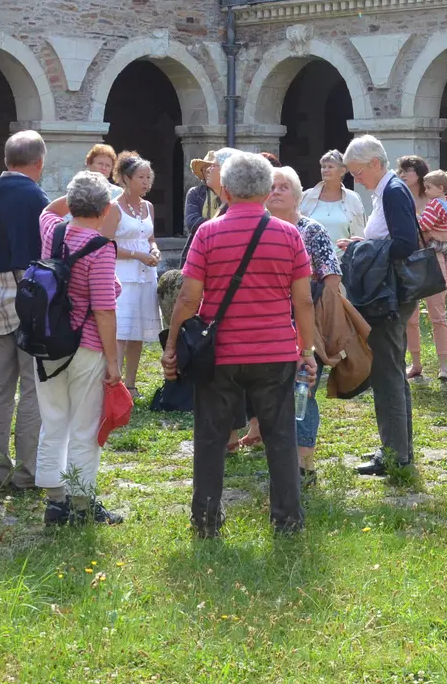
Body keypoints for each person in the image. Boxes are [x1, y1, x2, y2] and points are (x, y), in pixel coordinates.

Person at [162, 153, 318, 537]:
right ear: (267, 192)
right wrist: (307, 350)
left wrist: (170, 346)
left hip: (220, 354)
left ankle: (206, 521)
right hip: (275, 352)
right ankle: (287, 521)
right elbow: (303, 300)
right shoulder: (289, 234)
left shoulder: (208, 233)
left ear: (226, 191)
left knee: (211, 439)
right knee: (280, 437)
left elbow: (187, 298)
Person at [33, 172, 125, 527]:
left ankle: (55, 503)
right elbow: (104, 309)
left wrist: (74, 193)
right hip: (84, 346)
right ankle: (83, 505)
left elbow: (48, 209)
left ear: (72, 205)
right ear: (104, 210)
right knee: (84, 427)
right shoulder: (100, 248)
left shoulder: (51, 231)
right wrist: (113, 363)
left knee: (53, 420)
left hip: (45, 342)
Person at [0, 130, 50, 493]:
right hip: (26, 295)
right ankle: (27, 473)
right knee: (32, 388)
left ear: (6, 160)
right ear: (39, 162)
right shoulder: (34, 196)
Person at [341, 134, 420, 475]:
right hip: (387, 292)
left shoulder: (393, 191)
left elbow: (405, 243)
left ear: (375, 163)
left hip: (388, 295)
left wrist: (362, 248)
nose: (355, 179)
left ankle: (395, 455)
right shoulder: (385, 191)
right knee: (391, 371)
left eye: (357, 172)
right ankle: (400, 450)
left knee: (386, 373)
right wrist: (366, 241)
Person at [268, 165, 340, 485]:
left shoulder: (311, 230)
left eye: (284, 187)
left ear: (298, 195)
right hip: (268, 325)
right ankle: (282, 461)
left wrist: (319, 323)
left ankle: (304, 467)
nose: (276, 191)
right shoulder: (262, 229)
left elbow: (332, 279)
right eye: (271, 186)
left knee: (302, 391)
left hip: (305, 324)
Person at [393, 155, 447, 381]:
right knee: (411, 316)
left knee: (438, 314)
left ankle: (444, 366)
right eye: (401, 171)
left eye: (406, 171)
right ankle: (415, 363)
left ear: (418, 174)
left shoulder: (436, 200)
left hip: (434, 260)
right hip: (410, 260)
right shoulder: (399, 196)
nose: (402, 175)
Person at [111, 152, 163, 393]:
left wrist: (154, 249)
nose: (146, 182)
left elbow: (150, 238)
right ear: (125, 178)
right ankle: (115, 383)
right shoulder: (114, 208)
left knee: (138, 332)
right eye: (141, 177)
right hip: (123, 275)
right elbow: (106, 244)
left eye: (148, 177)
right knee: (121, 331)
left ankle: (130, 384)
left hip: (146, 275)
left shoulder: (148, 207)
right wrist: (137, 255)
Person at [418, 167, 447, 382]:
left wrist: (416, 219)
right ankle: (443, 367)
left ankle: (424, 363)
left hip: (432, 252)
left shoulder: (434, 205)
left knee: (434, 313)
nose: (425, 191)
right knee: (439, 313)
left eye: (428, 187)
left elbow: (424, 224)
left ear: (440, 188)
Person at [300, 149, 369, 243]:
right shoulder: (306, 196)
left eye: (330, 167)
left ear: (342, 171)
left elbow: (360, 234)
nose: (325, 170)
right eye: (323, 167)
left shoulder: (353, 199)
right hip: (311, 256)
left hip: (344, 257)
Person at [45, 143, 119, 217]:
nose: (104, 168)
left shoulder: (118, 193)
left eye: (108, 165)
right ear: (89, 164)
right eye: (100, 164)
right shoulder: (77, 188)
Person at [185, 147, 241, 237]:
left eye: (213, 165)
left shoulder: (240, 200)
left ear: (225, 171)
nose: (208, 169)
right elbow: (193, 224)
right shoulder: (197, 193)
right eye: (205, 168)